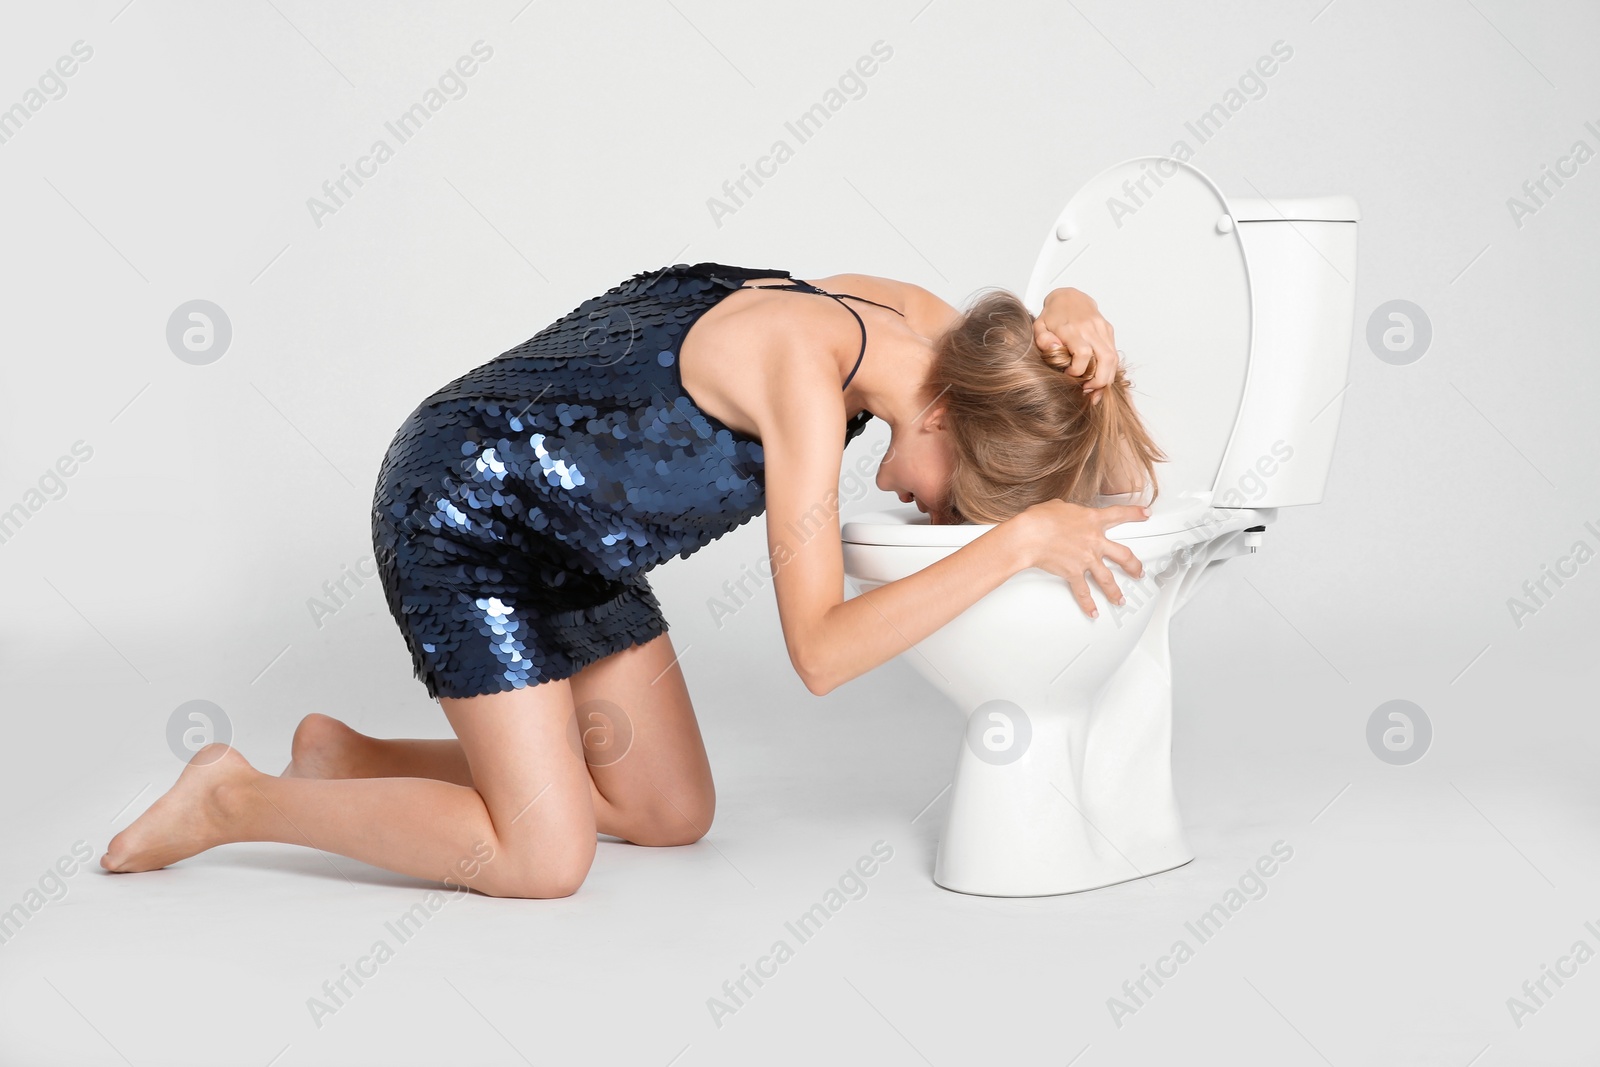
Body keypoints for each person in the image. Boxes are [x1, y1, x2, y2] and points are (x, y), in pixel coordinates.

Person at [101, 262, 1163, 897]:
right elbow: (821, 651)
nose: (934, 511)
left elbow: (1048, 386)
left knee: (666, 807)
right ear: (943, 420)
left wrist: (1079, 308)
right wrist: (1014, 547)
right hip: (466, 508)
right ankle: (236, 797)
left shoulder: (932, 330)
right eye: (955, 493)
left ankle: (348, 755)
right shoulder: (804, 374)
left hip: (572, 539)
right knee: (543, 856)